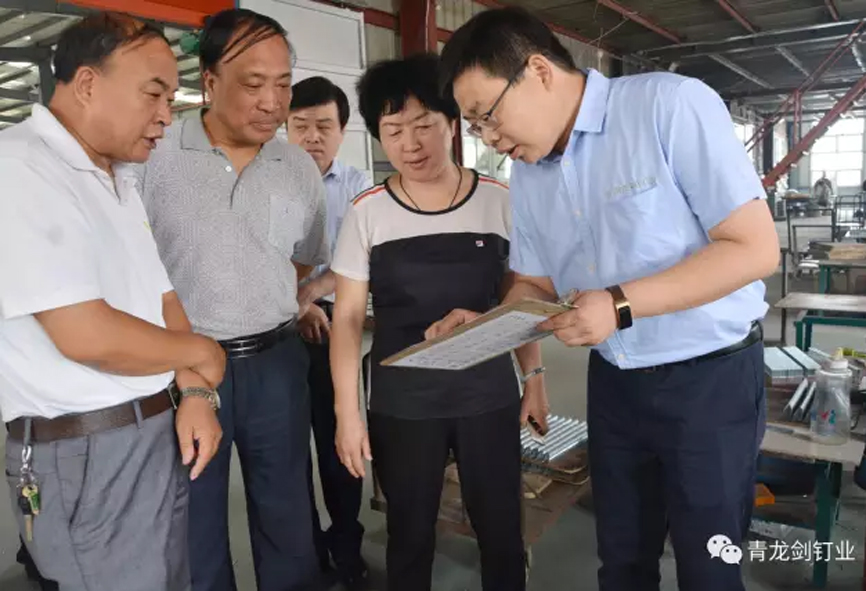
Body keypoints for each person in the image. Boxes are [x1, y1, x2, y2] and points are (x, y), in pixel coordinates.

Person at [434, 7, 780, 591]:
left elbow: (753, 248)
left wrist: (619, 304)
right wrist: (488, 323)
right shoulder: (530, 175)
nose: (488, 138)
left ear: (538, 71)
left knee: (709, 566)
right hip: (617, 385)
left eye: (487, 116)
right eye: (475, 127)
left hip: (709, 383)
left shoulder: (668, 107)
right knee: (622, 563)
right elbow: (535, 286)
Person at [0, 12, 224, 591]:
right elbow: (87, 335)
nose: (166, 114)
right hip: (86, 453)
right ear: (87, 83)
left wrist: (195, 390)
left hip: (153, 432)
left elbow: (162, 298)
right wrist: (203, 353)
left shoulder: (116, 177)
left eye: (171, 98)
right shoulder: (20, 167)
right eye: (154, 93)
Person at [330, 53, 549, 591]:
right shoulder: (367, 212)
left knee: (501, 529)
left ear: (453, 122)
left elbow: (520, 298)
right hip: (403, 404)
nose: (410, 143)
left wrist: (535, 378)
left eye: (424, 124)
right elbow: (348, 318)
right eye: (393, 130)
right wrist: (347, 414)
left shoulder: (499, 201)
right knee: (409, 534)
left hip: (487, 395)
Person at [137, 8, 328, 591]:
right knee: (192, 518)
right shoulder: (155, 157)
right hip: (185, 370)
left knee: (288, 510)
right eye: (253, 84)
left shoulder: (297, 167)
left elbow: (302, 259)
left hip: (277, 362)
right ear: (210, 80)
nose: (273, 102)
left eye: (283, 85)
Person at [287, 75, 371, 589]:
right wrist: (294, 307)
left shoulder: (360, 187)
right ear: (286, 128)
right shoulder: (267, 180)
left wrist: (311, 295)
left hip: (337, 331)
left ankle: (346, 543)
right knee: (287, 451)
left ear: (342, 131)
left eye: (324, 125)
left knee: (341, 442)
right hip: (279, 333)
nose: (312, 136)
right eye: (301, 125)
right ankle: (307, 548)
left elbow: (363, 258)